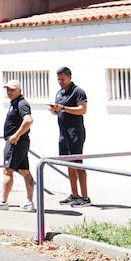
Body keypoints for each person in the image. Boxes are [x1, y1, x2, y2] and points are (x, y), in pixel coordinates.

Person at [50, 66, 90, 206]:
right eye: (58, 79)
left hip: (75, 133)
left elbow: (82, 109)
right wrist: (55, 110)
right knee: (68, 164)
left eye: (63, 79)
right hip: (63, 134)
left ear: (70, 77)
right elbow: (60, 111)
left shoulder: (78, 91)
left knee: (78, 163)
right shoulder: (60, 93)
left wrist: (63, 108)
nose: (60, 82)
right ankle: (74, 194)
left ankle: (85, 197)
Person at [0, 80, 36, 211]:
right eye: (7, 89)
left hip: (16, 142)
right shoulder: (15, 103)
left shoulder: (21, 103)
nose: (9, 91)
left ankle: (3, 202)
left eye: (12, 89)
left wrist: (16, 135)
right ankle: (29, 202)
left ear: (19, 90)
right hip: (19, 142)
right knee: (24, 171)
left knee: (7, 170)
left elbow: (28, 120)